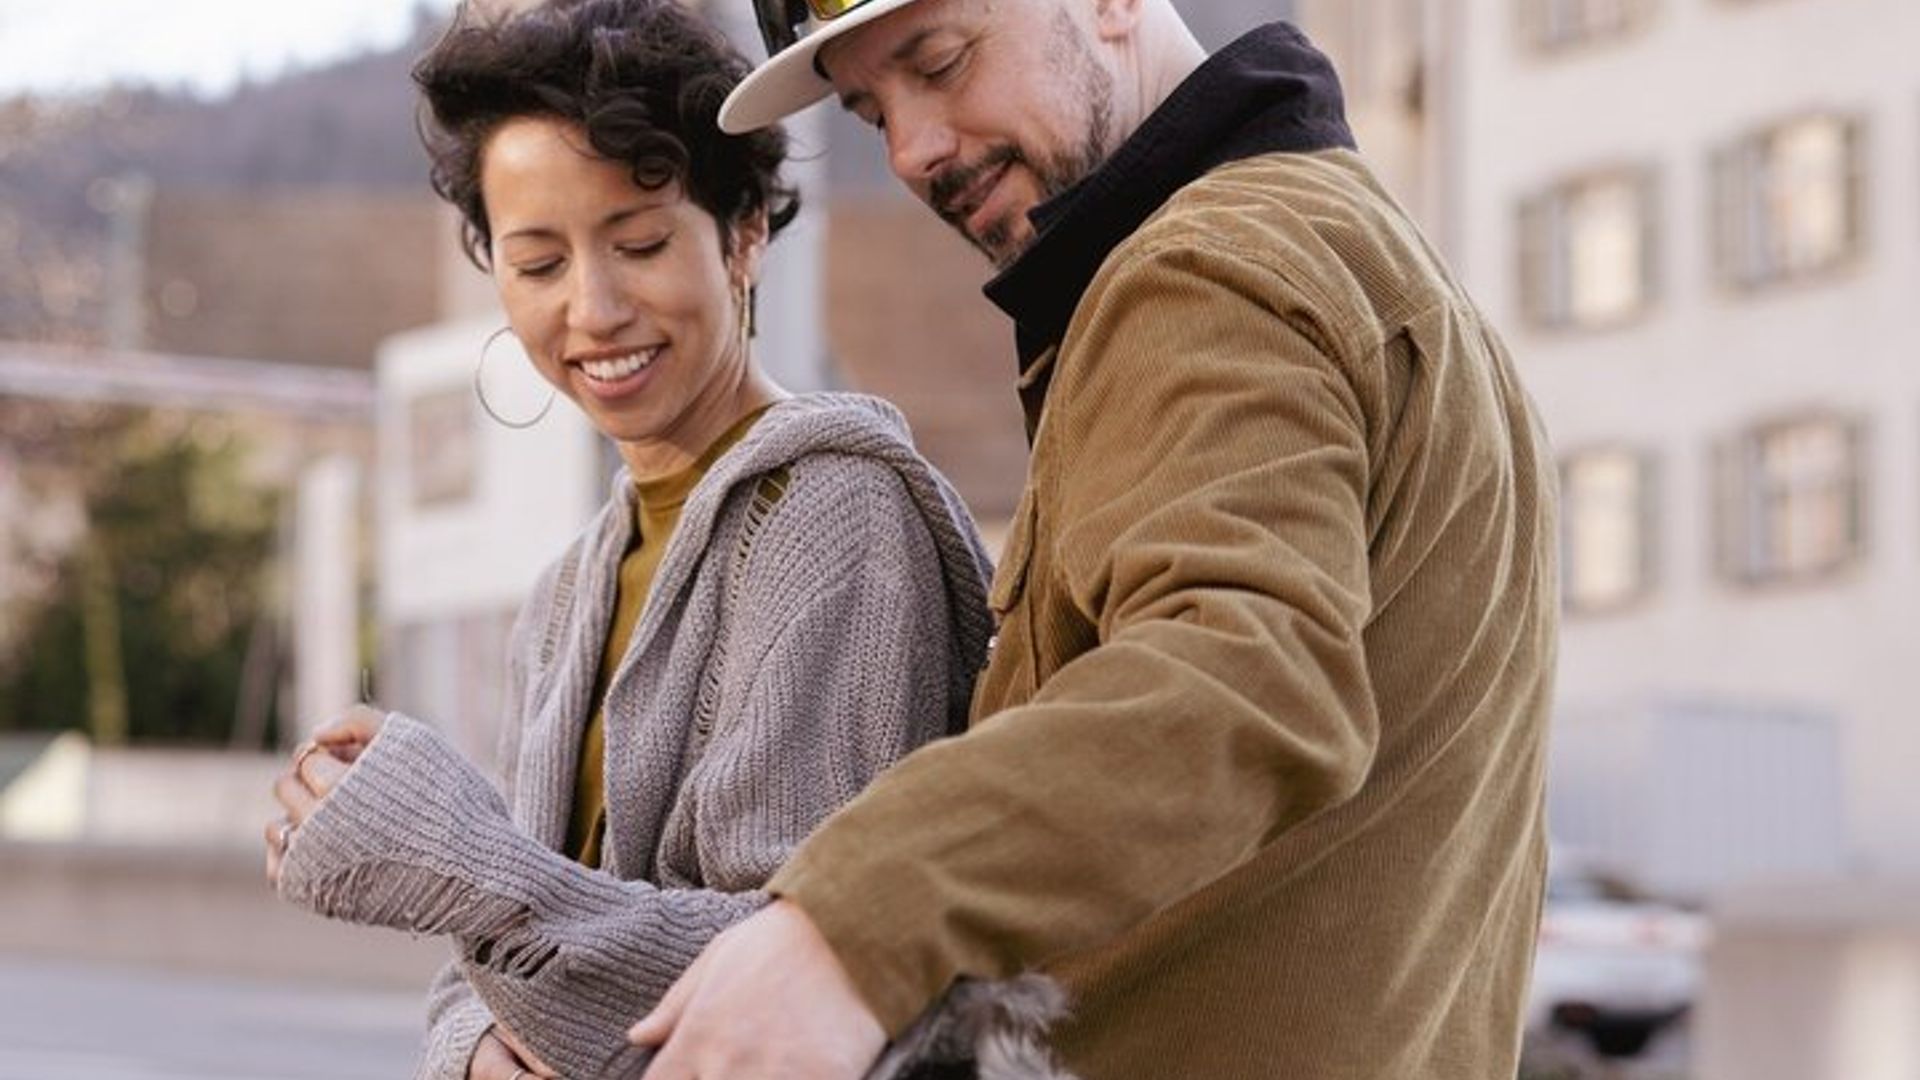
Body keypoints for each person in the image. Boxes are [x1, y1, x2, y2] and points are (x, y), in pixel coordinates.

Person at [627, 1, 1560, 1078]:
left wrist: (846, 929)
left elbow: (1244, 679)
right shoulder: (1362, 258)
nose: (913, 150)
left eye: (941, 62)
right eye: (872, 112)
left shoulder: (1204, 273)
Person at [260, 2, 997, 1078]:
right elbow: (487, 969)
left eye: (640, 244)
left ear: (744, 232)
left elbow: (802, 973)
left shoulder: (835, 513)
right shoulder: (569, 592)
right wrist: (472, 1051)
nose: (594, 309)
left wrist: (446, 849)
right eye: (538, 264)